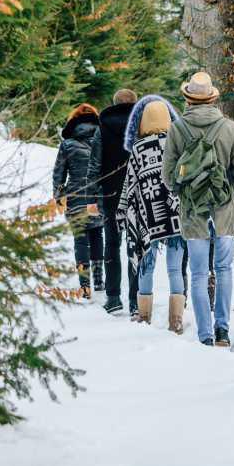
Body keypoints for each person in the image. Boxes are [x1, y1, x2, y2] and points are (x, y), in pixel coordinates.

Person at [162, 72, 234, 347]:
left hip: (193, 211)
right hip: (224, 209)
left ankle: (205, 335)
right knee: (223, 269)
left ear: (188, 99)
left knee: (199, 273)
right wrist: (232, 195)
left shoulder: (177, 130)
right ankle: (223, 330)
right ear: (213, 98)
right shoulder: (230, 128)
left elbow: (168, 176)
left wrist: (187, 194)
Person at [118, 96, 186, 330]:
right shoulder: (178, 146)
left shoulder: (137, 148)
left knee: (146, 262)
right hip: (175, 215)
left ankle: (144, 316)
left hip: (148, 216)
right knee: (175, 268)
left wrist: (124, 212)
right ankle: (176, 320)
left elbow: (130, 184)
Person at [52, 103, 104, 299]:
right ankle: (99, 279)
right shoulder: (103, 138)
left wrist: (58, 195)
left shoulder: (67, 144)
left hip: (75, 195)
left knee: (80, 237)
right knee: (97, 233)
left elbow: (59, 173)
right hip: (98, 195)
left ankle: (85, 285)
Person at [98, 88, 139, 315]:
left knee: (112, 244)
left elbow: (96, 160)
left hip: (110, 192)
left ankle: (113, 297)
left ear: (113, 103)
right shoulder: (142, 125)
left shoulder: (102, 126)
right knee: (135, 245)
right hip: (136, 192)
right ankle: (135, 300)